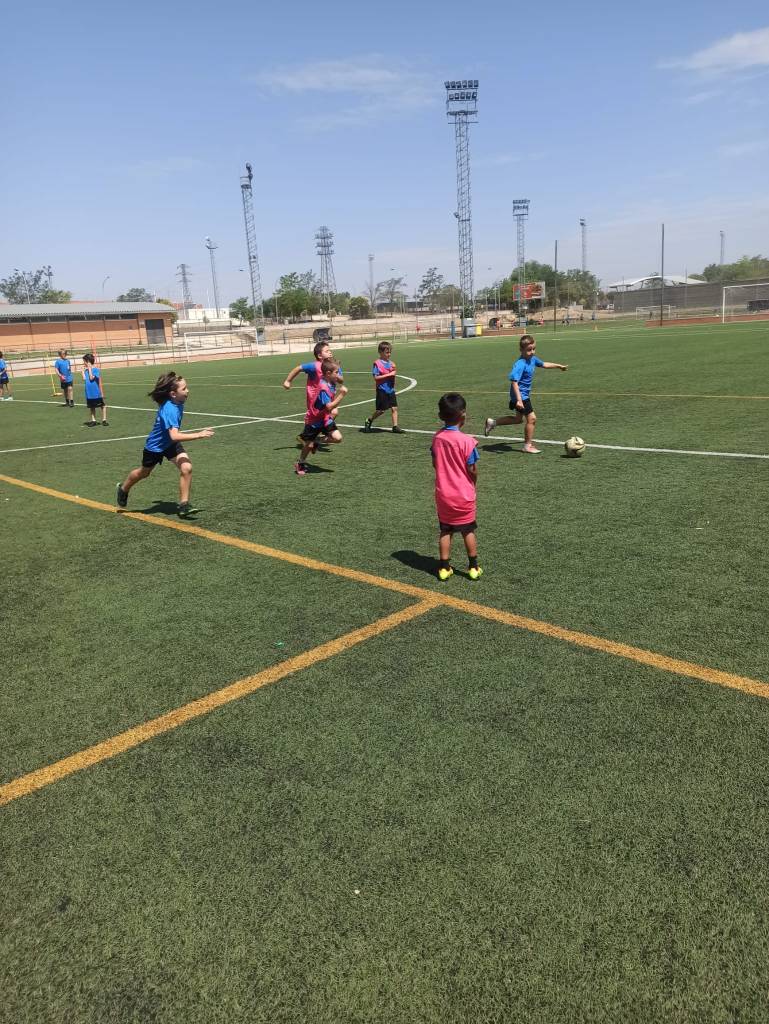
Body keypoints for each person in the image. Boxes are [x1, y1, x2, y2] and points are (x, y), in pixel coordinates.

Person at [115, 371, 213, 517]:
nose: (187, 391)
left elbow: (172, 438)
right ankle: (123, 488)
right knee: (144, 473)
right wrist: (199, 434)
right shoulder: (170, 409)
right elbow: (174, 435)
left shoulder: (177, 401)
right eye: (184, 388)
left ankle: (184, 505)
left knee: (186, 467)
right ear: (173, 394)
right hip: (155, 447)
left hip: (170, 444)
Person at [484, 334, 567, 454]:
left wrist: (558, 366)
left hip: (523, 395)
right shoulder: (520, 364)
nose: (532, 352)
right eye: (529, 350)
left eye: (534, 349)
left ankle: (492, 422)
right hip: (520, 396)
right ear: (521, 350)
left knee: (518, 419)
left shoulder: (532, 359)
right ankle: (527, 446)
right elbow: (514, 382)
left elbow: (544, 364)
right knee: (532, 419)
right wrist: (519, 400)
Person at [431, 392, 482, 581]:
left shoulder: (437, 439)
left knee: (446, 530)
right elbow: (472, 469)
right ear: (463, 415)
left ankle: (444, 568)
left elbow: (435, 463)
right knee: (468, 530)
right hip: (463, 495)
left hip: (444, 495)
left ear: (440, 416)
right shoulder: (468, 442)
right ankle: (473, 567)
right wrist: (473, 482)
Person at [282, 339, 343, 447]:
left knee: (332, 413)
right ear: (319, 355)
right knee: (330, 413)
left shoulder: (333, 366)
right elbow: (298, 368)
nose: (330, 352)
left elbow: (341, 380)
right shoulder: (314, 366)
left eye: (330, 350)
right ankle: (308, 436)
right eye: (327, 351)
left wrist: (337, 376)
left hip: (328, 397)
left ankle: (311, 436)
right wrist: (288, 381)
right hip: (315, 400)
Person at [294, 358, 347, 476]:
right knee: (308, 445)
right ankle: (300, 462)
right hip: (314, 420)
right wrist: (342, 395)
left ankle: (317, 441)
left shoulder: (331, 381)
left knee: (338, 438)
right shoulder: (323, 388)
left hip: (325, 418)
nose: (338, 375)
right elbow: (329, 407)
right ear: (328, 373)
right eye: (336, 372)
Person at [364, 341, 404, 434]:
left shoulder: (392, 364)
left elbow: (393, 375)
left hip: (390, 389)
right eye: (387, 352)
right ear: (380, 352)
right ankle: (369, 420)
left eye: (390, 352)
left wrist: (393, 372)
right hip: (382, 389)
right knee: (381, 411)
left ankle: (395, 426)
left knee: (394, 408)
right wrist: (389, 374)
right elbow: (376, 377)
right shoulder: (377, 364)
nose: (389, 354)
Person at [82, 354, 108, 426]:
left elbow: (91, 378)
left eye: (84, 361)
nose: (83, 363)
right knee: (92, 407)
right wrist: (83, 371)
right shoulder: (86, 370)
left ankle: (104, 420)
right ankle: (93, 420)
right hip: (89, 393)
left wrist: (90, 369)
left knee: (102, 406)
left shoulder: (96, 370)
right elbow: (84, 379)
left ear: (88, 362)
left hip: (96, 392)